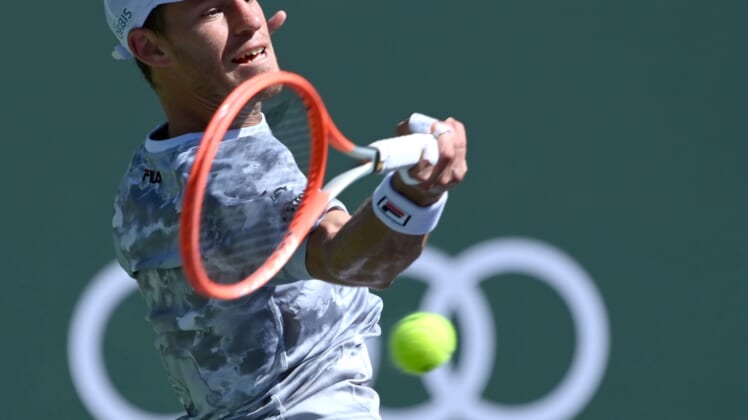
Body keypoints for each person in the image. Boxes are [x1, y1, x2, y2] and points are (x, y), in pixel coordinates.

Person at [105, 0, 468, 418]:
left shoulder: (144, 179)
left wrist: (236, 49)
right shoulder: (238, 179)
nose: (250, 18)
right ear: (150, 48)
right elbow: (356, 261)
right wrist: (414, 195)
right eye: (212, 11)